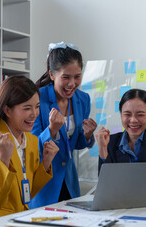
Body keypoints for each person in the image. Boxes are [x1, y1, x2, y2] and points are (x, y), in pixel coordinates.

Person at [0, 76, 59, 224]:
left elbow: (27, 194)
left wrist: (46, 162)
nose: (34, 114)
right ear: (7, 110)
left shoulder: (32, 140)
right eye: (27, 108)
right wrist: (4, 158)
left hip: (18, 221)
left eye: (37, 106)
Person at [29, 42, 97, 208]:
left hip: (69, 182)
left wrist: (87, 136)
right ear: (52, 75)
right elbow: (32, 145)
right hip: (43, 181)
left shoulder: (83, 99)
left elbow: (73, 144)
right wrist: (51, 130)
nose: (72, 83)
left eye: (77, 77)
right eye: (66, 77)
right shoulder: (37, 98)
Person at [95, 88, 146, 199]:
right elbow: (105, 187)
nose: (133, 120)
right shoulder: (110, 141)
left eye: (140, 115)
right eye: (127, 114)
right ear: (121, 115)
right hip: (122, 205)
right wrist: (103, 150)